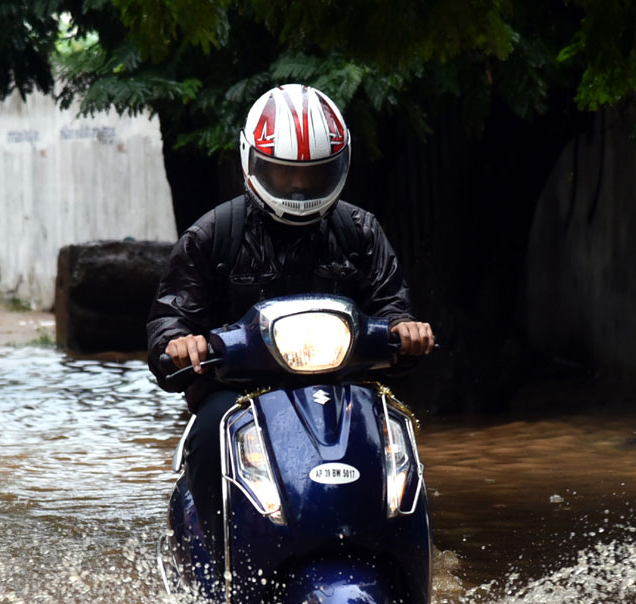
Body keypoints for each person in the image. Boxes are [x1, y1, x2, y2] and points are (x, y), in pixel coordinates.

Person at [146, 83, 435, 556]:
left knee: (395, 440)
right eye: (283, 174)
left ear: (338, 167)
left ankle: (399, 556)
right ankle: (222, 562)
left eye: (314, 174)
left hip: (345, 390)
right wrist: (180, 343)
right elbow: (169, 322)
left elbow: (391, 305)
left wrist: (406, 329)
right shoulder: (213, 235)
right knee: (206, 433)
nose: (299, 188)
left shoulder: (359, 231)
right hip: (238, 394)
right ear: (253, 164)